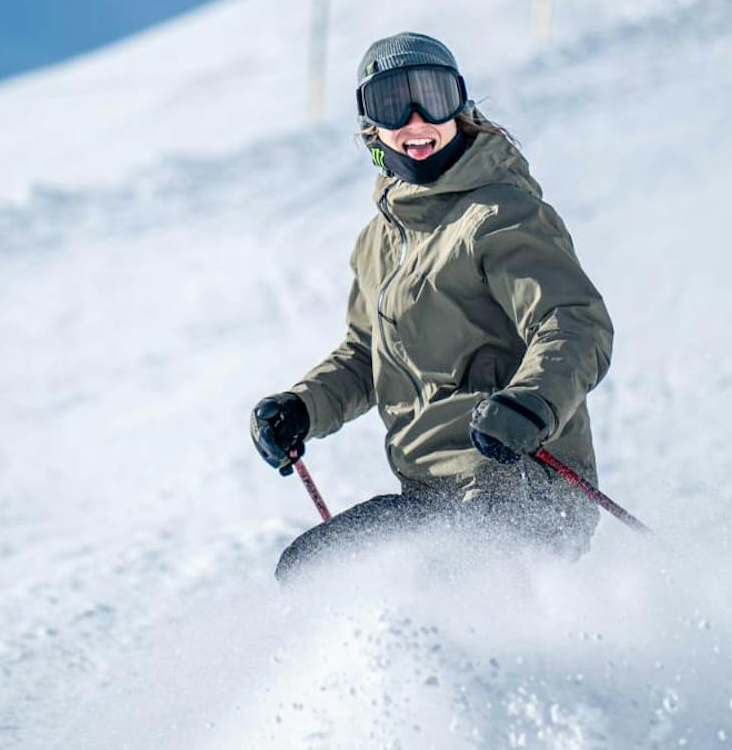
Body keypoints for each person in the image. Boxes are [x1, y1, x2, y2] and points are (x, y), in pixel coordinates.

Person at [250, 33, 614, 580]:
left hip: (521, 481)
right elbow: (365, 354)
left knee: (414, 578)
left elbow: (572, 323)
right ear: (372, 127)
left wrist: (530, 404)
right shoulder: (379, 243)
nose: (415, 119)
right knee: (311, 571)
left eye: (433, 96)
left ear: (460, 106)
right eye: (392, 105)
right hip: (433, 497)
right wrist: (303, 407)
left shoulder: (498, 213)